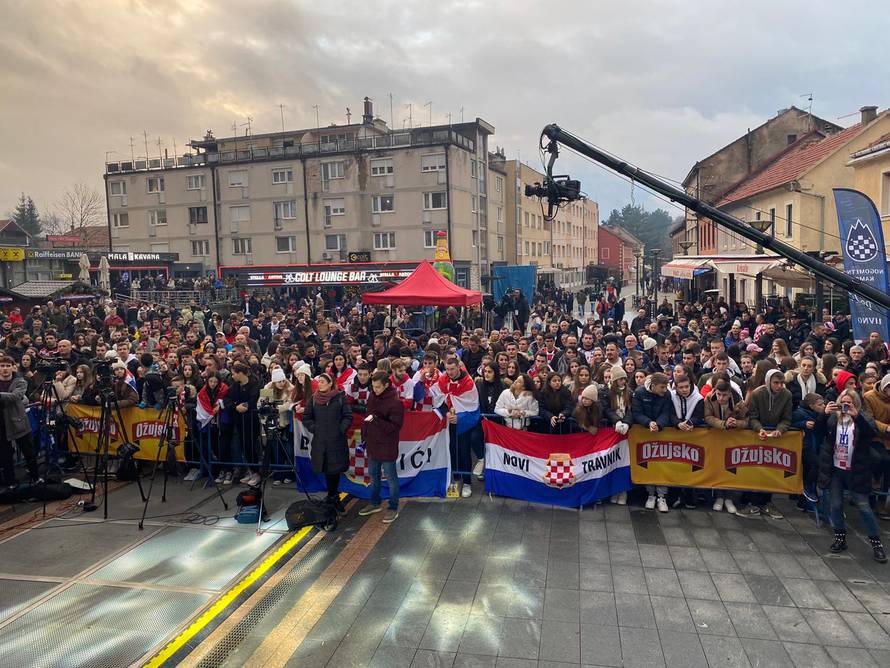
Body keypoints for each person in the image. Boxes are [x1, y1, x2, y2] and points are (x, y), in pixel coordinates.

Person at [818, 389, 887, 563]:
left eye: (849, 403)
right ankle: (840, 538)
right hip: (836, 469)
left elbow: (871, 434)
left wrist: (858, 417)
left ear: (855, 404)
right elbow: (818, 432)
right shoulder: (833, 418)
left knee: (864, 507)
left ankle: (876, 544)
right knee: (835, 505)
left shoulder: (862, 419)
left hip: (856, 469)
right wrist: (823, 415)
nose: (846, 406)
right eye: (843, 402)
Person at [738, 368, 792, 519]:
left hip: (776, 438)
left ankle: (766, 502)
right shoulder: (758, 393)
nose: (779, 386)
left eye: (781, 383)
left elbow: (787, 418)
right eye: (776, 383)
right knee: (754, 469)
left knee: (771, 470)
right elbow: (753, 417)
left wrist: (780, 430)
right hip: (757, 435)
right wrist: (759, 429)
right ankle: (754, 503)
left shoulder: (787, 395)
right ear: (768, 382)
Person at [358, 371, 405, 523]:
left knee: (391, 478)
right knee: (373, 475)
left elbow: (395, 427)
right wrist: (365, 435)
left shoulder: (395, 403)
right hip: (372, 443)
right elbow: (368, 416)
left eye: (378, 387)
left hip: (387, 445)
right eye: (373, 386)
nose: (375, 389)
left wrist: (376, 420)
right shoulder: (372, 396)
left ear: (386, 385)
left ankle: (393, 507)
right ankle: (375, 502)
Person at [431, 357, 482, 498]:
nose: (450, 372)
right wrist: (447, 413)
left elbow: (472, 406)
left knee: (464, 452)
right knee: (452, 451)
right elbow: (438, 398)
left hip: (464, 423)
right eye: (447, 369)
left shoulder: (468, 383)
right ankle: (456, 479)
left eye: (452, 369)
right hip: (449, 422)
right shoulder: (443, 379)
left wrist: (459, 417)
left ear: (459, 367)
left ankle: (467, 482)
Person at [302, 372, 352, 512]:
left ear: (330, 384)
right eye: (319, 381)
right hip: (320, 441)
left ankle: (333, 496)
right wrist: (314, 428)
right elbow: (307, 417)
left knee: (334, 470)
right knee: (325, 468)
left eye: (323, 381)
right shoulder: (313, 399)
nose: (320, 384)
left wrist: (340, 430)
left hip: (336, 441)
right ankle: (332, 496)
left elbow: (347, 416)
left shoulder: (340, 398)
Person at [703, 378, 747, 514]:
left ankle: (729, 498)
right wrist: (723, 424)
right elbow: (708, 417)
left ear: (730, 394)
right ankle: (719, 496)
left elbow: (747, 420)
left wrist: (737, 423)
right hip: (716, 437)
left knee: (731, 466)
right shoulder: (709, 399)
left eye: (724, 395)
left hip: (733, 439)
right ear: (715, 391)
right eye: (719, 394)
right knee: (717, 466)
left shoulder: (739, 402)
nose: (721, 398)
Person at [632, 372, 672, 512]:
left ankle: (662, 496)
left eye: (666, 387)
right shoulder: (639, 392)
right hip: (644, 433)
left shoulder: (666, 395)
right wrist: (648, 423)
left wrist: (659, 424)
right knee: (648, 464)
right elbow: (636, 413)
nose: (665, 390)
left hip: (661, 433)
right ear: (653, 385)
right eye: (662, 387)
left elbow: (666, 413)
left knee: (662, 464)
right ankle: (650, 494)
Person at [0, 356, 40, 487]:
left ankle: (36, 478)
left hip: (18, 422)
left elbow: (15, 396)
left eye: (8, 366)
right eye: (2, 366)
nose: (5, 369)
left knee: (28, 452)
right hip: (1, 423)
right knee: (6, 455)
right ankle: (10, 483)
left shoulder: (20, 381)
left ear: (13, 367)